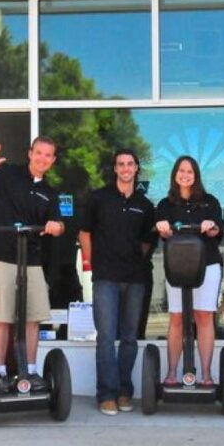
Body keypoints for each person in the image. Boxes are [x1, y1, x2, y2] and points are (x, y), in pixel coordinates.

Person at [0, 138, 64, 394]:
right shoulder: (6, 175)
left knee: (33, 319)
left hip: (31, 260)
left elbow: (59, 224)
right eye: (38, 153)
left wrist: (56, 226)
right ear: (30, 153)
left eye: (48, 155)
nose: (42, 158)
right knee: (1, 318)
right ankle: (0, 373)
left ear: (53, 160)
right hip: (1, 257)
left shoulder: (50, 192)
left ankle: (30, 371)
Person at [79, 149, 155, 416]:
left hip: (135, 278)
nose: (125, 168)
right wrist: (92, 263)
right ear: (115, 169)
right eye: (120, 164)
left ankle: (124, 391)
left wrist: (133, 260)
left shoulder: (145, 205)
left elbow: (147, 242)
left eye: (130, 164)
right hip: (105, 278)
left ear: (136, 168)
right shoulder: (99, 198)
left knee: (130, 338)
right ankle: (107, 394)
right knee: (106, 338)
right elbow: (84, 233)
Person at [155, 156, 223, 387]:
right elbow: (163, 231)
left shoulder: (209, 202)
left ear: (196, 175)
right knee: (176, 318)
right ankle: (172, 373)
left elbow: (215, 231)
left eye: (190, 171)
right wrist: (163, 228)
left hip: (207, 264)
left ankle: (206, 374)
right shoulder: (165, 205)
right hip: (177, 266)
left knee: (204, 317)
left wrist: (210, 226)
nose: (185, 175)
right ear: (175, 174)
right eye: (181, 171)